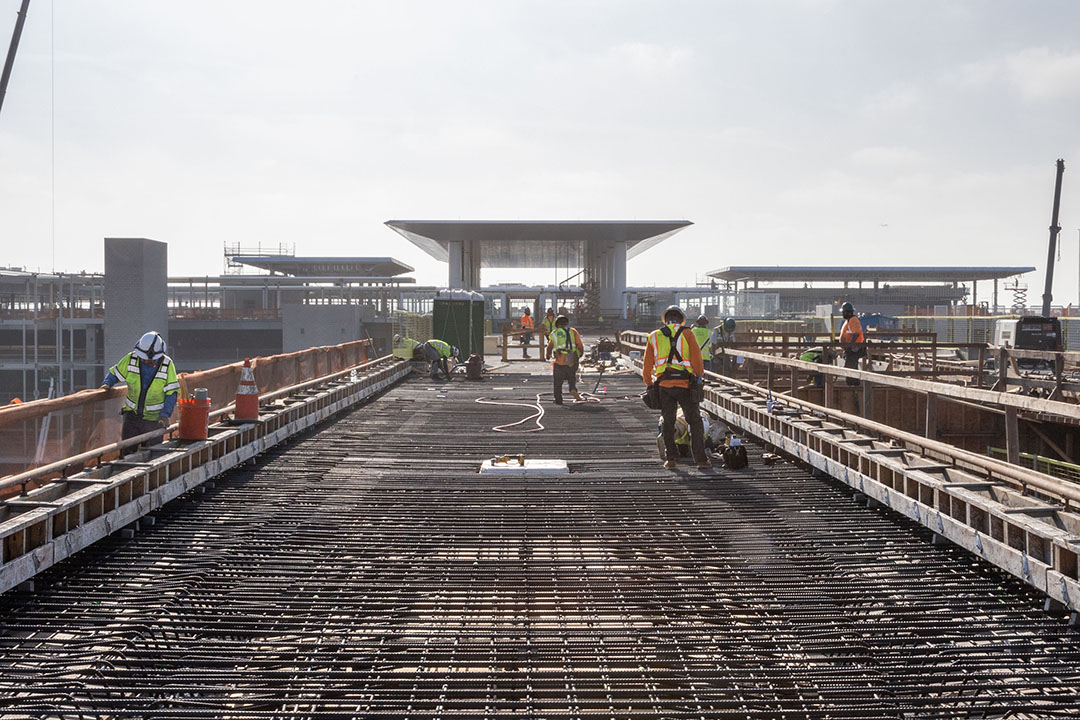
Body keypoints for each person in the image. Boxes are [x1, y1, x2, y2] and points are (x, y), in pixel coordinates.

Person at [642, 305, 709, 469]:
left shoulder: (654, 336)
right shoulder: (688, 333)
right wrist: (699, 378)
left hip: (664, 386)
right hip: (686, 384)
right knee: (694, 421)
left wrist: (650, 385)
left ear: (665, 320)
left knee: (668, 421)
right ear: (681, 319)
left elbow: (647, 366)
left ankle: (671, 458)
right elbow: (697, 361)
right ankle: (701, 460)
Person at [101, 331, 180, 442]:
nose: (145, 361)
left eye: (149, 360)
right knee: (128, 451)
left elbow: (171, 393)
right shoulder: (131, 359)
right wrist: (107, 383)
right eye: (143, 358)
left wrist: (164, 415)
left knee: (153, 454)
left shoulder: (167, 365)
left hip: (154, 420)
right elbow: (115, 373)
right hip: (132, 417)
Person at [656, 406, 721, 460]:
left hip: (695, 421)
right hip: (678, 417)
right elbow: (661, 439)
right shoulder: (667, 422)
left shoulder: (700, 426)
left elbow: (700, 443)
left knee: (703, 446)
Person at [549, 314, 584, 405]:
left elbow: (550, 346)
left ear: (557, 324)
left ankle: (558, 400)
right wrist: (580, 354)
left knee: (558, 382)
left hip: (559, 361)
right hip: (571, 359)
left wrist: (547, 355)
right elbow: (579, 345)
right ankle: (572, 389)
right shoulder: (573, 331)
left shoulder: (555, 333)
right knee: (571, 377)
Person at [838, 302, 865, 386]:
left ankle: (852, 384)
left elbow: (856, 334)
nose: (842, 313)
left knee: (850, 366)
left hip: (854, 348)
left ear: (849, 312)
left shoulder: (854, 320)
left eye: (844, 312)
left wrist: (849, 345)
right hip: (851, 348)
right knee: (851, 365)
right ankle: (853, 384)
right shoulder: (848, 321)